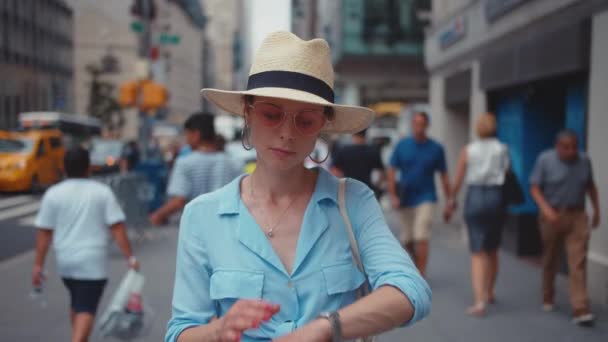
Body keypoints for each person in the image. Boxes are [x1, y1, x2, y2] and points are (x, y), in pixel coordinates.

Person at [165, 31, 431, 342]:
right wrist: (217, 330)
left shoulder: (353, 200)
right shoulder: (203, 215)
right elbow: (180, 331)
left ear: (324, 124)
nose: (287, 133)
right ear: (248, 112)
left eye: (304, 121)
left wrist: (326, 327)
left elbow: (411, 290)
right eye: (271, 114)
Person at [32, 147, 139, 342]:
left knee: (77, 304)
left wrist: (38, 265)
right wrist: (130, 257)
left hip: (65, 262)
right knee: (86, 307)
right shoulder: (101, 192)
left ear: (64, 167)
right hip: (92, 262)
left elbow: (44, 232)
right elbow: (117, 227)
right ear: (88, 167)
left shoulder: (54, 193)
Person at [530, 129, 601, 326]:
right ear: (558, 146)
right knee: (550, 258)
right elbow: (534, 187)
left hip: (577, 215)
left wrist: (596, 210)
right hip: (552, 213)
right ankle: (548, 293)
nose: (571, 151)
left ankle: (580, 308)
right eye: (566, 147)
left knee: (577, 261)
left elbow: (591, 186)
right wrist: (546, 210)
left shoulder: (584, 161)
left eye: (574, 147)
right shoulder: (545, 160)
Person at [446, 113, 510, 316]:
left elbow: (458, 178)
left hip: (475, 196)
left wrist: (451, 200)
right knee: (492, 249)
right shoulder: (502, 149)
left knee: (477, 252)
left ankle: (479, 301)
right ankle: (490, 291)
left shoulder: (468, 150)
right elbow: (507, 173)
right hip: (496, 196)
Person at [149, 112, 242, 225]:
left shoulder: (185, 163)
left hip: (197, 227)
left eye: (187, 134)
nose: (186, 139)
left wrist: (158, 215)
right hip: (228, 226)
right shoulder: (234, 163)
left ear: (196, 135)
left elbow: (178, 200)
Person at [387, 111, 450, 277]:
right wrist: (392, 195)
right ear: (412, 125)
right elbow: (392, 171)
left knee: (421, 235)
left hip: (426, 196)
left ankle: (421, 274)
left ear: (427, 126)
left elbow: (444, 175)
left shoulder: (436, 148)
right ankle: (416, 260)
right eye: (416, 124)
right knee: (407, 240)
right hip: (406, 197)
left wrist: (449, 200)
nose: (419, 127)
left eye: (422, 124)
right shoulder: (402, 145)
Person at [331, 129, 385, 197]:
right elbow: (381, 173)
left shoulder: (344, 150)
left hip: (348, 189)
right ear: (365, 135)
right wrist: (376, 185)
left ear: (353, 135)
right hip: (366, 189)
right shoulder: (373, 151)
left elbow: (335, 171)